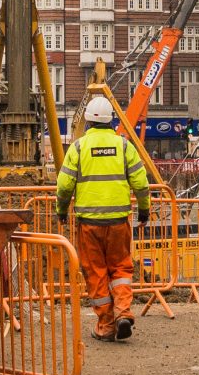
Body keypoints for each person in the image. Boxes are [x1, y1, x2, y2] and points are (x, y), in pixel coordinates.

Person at [55, 93, 153, 342]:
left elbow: (64, 186)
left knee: (96, 272)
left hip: (90, 225)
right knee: (120, 269)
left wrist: (61, 211)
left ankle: (107, 325)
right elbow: (141, 184)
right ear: (111, 121)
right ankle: (123, 312)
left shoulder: (78, 147)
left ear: (87, 122)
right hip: (119, 222)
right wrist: (144, 209)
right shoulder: (123, 146)